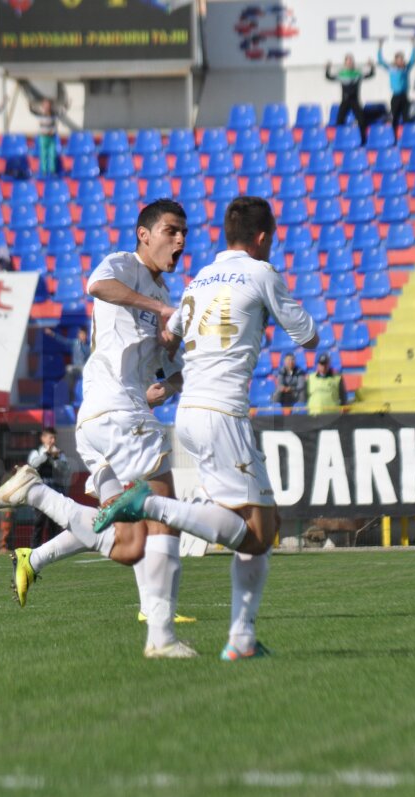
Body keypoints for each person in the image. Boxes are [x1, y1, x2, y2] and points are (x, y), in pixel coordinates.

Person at [97, 196, 319, 661]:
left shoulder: (199, 280)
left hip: (190, 411)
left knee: (265, 523)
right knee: (254, 533)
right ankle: (156, 504)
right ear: (263, 238)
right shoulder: (261, 272)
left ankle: (242, 639)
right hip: (223, 410)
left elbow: (172, 330)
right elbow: (308, 335)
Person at [0, 199, 196, 659]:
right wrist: (157, 307)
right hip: (115, 414)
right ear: (144, 234)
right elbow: (97, 284)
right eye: (171, 231)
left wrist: (177, 369)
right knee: (163, 513)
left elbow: (161, 384)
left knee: (127, 540)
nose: (179, 240)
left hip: (104, 417)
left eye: (183, 233)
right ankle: (160, 633)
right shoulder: (125, 265)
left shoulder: (163, 303)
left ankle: (34, 518)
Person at [27, 428, 70, 548]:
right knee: (39, 522)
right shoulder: (36, 452)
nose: (53, 441)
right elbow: (33, 464)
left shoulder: (60, 454)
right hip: (39, 492)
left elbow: (65, 470)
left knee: (54, 522)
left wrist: (55, 459)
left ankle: (53, 549)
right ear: (43, 438)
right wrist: (47, 455)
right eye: (50, 438)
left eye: (54, 438)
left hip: (54, 490)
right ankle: (34, 549)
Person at [325, 54, 375, 143]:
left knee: (361, 120)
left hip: (355, 100)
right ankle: (340, 140)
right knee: (340, 120)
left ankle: (363, 140)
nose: (350, 63)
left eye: (351, 61)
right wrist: (327, 68)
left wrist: (371, 67)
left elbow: (370, 75)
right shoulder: (341, 74)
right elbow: (329, 77)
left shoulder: (357, 73)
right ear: (345, 63)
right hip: (345, 100)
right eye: (348, 61)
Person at [377, 38, 415, 137]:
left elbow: (413, 58)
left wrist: (413, 44)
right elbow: (381, 61)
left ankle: (408, 137)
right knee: (395, 118)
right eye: (399, 59)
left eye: (402, 59)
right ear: (395, 60)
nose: (401, 61)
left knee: (406, 118)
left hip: (404, 97)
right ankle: (393, 137)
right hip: (395, 97)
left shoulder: (406, 68)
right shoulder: (391, 68)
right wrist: (380, 46)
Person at [30, 96, 67, 178]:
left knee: (52, 154)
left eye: (48, 104)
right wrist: (30, 105)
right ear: (43, 105)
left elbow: (62, 111)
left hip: (52, 137)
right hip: (43, 137)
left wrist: (66, 105)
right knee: (44, 154)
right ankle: (44, 171)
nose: (47, 106)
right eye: (45, 104)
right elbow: (32, 111)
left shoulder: (54, 113)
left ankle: (53, 171)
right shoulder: (40, 113)